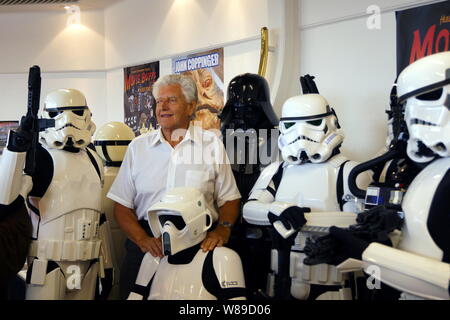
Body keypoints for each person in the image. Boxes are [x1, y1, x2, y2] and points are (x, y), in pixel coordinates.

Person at [107, 74, 241, 299]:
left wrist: (223, 230)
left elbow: (230, 198)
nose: (163, 107)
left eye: (171, 100)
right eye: (159, 101)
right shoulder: (138, 148)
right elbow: (121, 206)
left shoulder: (211, 145)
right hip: (146, 248)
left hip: (197, 248)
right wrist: (142, 240)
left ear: (190, 106)